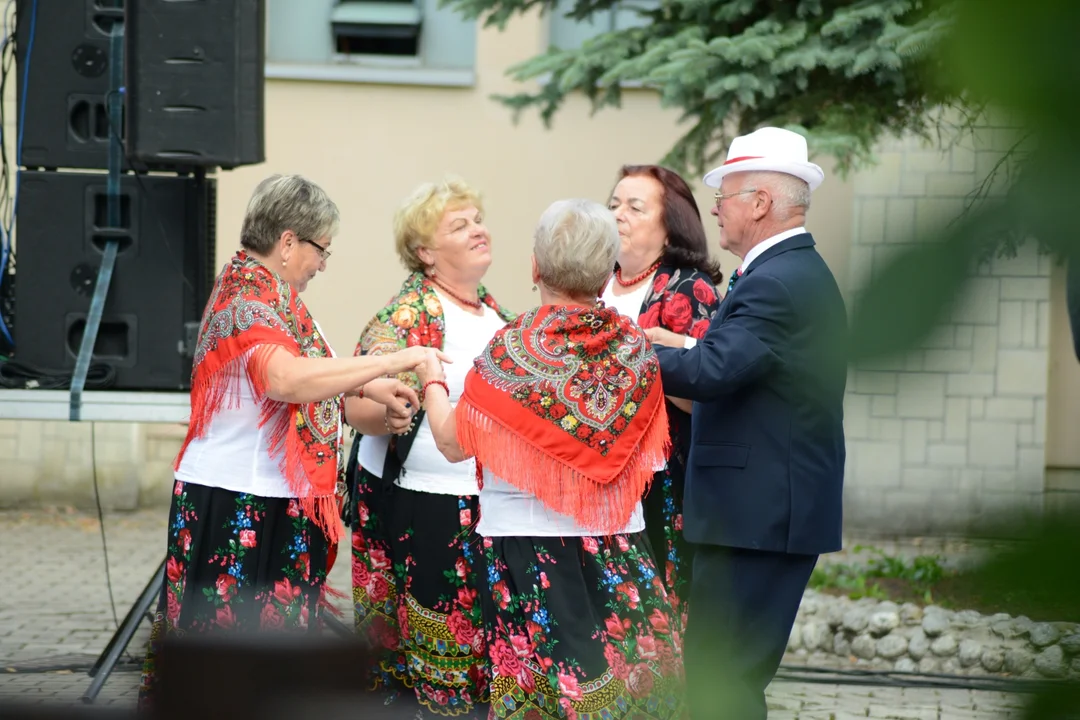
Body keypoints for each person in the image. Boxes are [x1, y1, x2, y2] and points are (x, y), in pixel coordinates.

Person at [138, 174, 441, 708]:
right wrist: (394, 359)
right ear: (287, 242)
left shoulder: (282, 302)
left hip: (274, 500)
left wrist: (375, 389)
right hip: (237, 502)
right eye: (321, 250)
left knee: (275, 666)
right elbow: (286, 380)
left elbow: (316, 376)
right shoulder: (244, 300)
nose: (323, 264)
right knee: (224, 664)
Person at [417, 199, 687, 719]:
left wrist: (432, 378)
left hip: (526, 552)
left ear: (535, 268)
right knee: (630, 691)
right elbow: (648, 460)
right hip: (618, 544)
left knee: (541, 695)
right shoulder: (635, 347)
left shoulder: (508, 351)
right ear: (608, 271)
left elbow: (453, 444)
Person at [645, 128, 848, 719]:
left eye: (726, 194)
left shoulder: (778, 282)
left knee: (721, 682)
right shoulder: (786, 273)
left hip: (755, 517)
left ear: (760, 203)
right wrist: (677, 345)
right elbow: (741, 365)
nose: (715, 208)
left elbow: (712, 370)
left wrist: (623, 350)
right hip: (757, 514)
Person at [345, 178, 514, 717]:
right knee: (435, 656)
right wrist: (392, 410)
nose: (477, 230)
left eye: (478, 219)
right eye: (458, 225)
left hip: (490, 506)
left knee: (486, 655)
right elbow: (353, 398)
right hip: (429, 505)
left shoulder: (494, 311)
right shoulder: (412, 311)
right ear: (424, 252)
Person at [604, 164, 722, 617]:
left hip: (660, 484)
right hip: (592, 474)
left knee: (655, 609)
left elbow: (703, 394)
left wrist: (648, 358)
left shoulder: (687, 290)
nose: (618, 215)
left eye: (635, 207)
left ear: (670, 227)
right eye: (613, 204)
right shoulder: (589, 284)